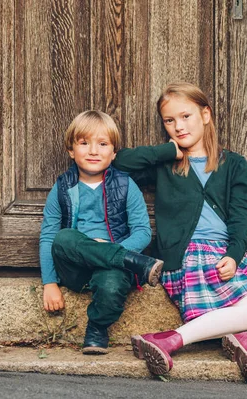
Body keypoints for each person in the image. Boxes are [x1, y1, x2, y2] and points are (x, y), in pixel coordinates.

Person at [112, 82, 247, 387]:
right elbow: (118, 162)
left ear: (205, 115)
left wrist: (234, 256)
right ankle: (172, 340)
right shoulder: (165, 164)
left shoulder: (233, 164)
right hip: (187, 255)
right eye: (170, 121)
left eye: (186, 116)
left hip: (228, 254)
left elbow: (241, 216)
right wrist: (168, 150)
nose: (178, 127)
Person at [40, 110, 164, 355]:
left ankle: (97, 328)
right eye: (84, 143)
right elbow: (48, 236)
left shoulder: (126, 186)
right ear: (71, 150)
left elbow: (142, 232)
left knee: (113, 281)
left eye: (103, 144)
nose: (93, 151)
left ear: (114, 152)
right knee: (64, 237)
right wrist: (50, 283)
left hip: (111, 270)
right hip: (77, 268)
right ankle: (133, 262)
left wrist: (111, 254)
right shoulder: (63, 187)